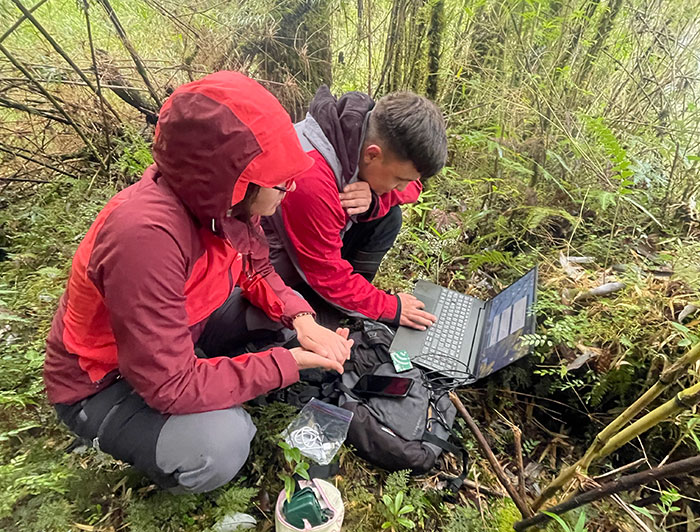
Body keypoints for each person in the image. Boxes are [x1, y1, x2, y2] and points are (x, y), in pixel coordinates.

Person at [43, 71, 353, 494]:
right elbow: (170, 384)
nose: (292, 186)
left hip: (183, 332)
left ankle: (212, 372)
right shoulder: (145, 237)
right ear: (235, 181)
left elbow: (258, 270)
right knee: (223, 442)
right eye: (280, 181)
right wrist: (287, 363)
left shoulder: (223, 206)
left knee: (277, 323)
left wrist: (302, 319)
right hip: (102, 382)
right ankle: (152, 449)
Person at [263, 86, 448, 331]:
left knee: (388, 216)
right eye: (398, 179)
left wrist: (374, 200)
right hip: (273, 265)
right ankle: (329, 310)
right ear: (372, 155)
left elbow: (413, 188)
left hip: (315, 250)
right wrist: (390, 307)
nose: (402, 188)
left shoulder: (363, 131)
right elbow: (326, 275)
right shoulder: (312, 180)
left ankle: (352, 300)